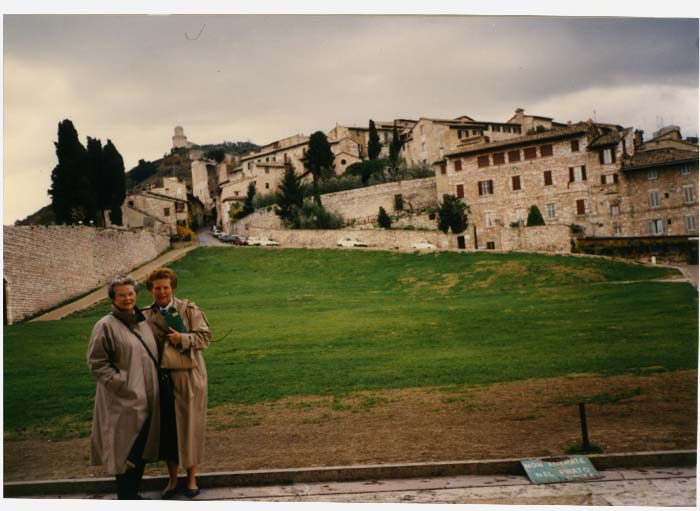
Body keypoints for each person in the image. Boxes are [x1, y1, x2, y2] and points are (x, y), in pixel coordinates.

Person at [87, 276, 160, 500]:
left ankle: (133, 494)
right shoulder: (105, 326)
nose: (127, 298)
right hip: (123, 400)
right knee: (124, 450)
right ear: (113, 298)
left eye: (130, 293)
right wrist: (122, 384)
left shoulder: (141, 321)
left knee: (141, 449)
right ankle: (126, 496)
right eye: (121, 295)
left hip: (147, 398)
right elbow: (97, 363)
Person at [143, 267, 211, 499]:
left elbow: (205, 337)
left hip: (188, 377)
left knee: (190, 427)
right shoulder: (145, 315)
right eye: (157, 288)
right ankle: (172, 481)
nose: (161, 292)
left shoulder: (188, 309)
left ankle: (191, 479)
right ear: (151, 290)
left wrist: (182, 338)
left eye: (165, 287)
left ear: (172, 288)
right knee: (168, 431)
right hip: (161, 378)